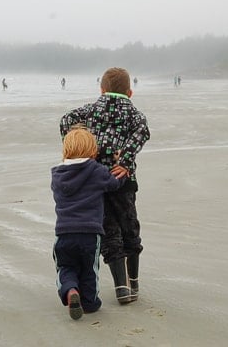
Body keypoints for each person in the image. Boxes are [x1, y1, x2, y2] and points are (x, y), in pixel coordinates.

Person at [60, 67, 150, 304]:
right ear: (130, 92)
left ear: (101, 90)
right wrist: (126, 160)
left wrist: (82, 150)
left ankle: (120, 288)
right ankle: (134, 283)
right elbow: (143, 131)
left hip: (96, 178)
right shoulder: (134, 114)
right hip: (123, 179)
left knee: (109, 231)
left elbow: (66, 120)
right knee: (130, 227)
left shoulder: (91, 110)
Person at [51, 128, 125, 320]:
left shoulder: (57, 175)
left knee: (66, 267)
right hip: (90, 232)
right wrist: (122, 169)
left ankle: (70, 291)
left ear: (66, 150)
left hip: (64, 233)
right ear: (93, 152)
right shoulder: (97, 171)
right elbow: (113, 183)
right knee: (89, 269)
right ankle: (90, 303)